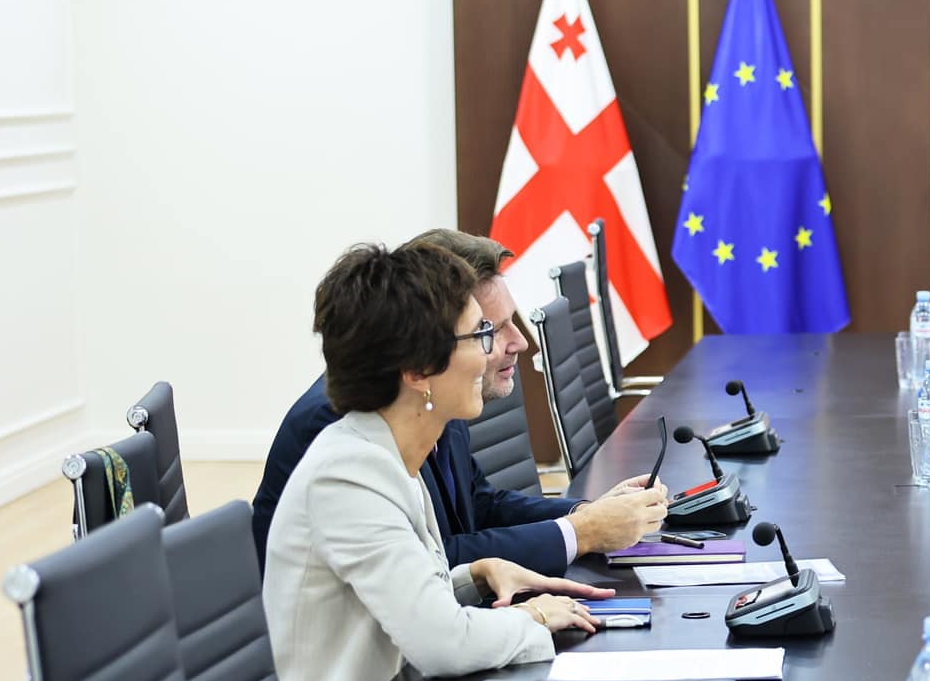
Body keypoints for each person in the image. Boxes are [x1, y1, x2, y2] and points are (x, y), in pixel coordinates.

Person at [264, 242, 617, 681]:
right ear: (417, 370)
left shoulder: (385, 451)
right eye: (480, 335)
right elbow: (442, 643)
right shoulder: (349, 473)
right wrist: (535, 617)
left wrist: (472, 575)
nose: (493, 352)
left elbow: (396, 597)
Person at [250, 229, 665, 573]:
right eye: (489, 331)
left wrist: (587, 514)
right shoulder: (343, 421)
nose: (520, 343)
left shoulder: (434, 396)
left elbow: (477, 504)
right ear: (428, 342)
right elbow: (426, 564)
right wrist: (582, 533)